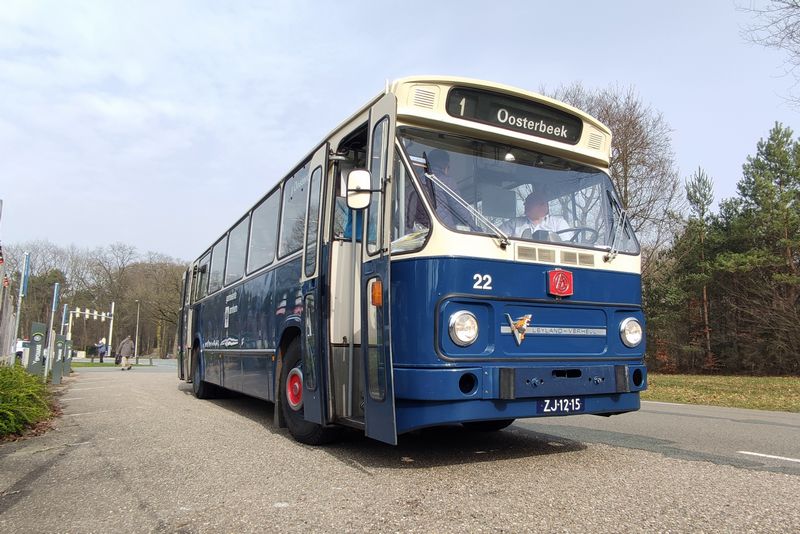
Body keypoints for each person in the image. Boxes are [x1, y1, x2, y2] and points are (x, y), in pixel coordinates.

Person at [418, 149, 472, 229]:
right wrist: (475, 228)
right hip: (442, 230)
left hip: (417, 235)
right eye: (448, 166)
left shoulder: (415, 181)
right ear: (445, 165)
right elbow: (459, 208)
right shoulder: (446, 181)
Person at [501, 192, 570, 239]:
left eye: (529, 203)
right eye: (525, 203)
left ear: (543, 206)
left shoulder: (558, 223)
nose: (525, 205)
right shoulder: (514, 224)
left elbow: (567, 247)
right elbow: (495, 238)